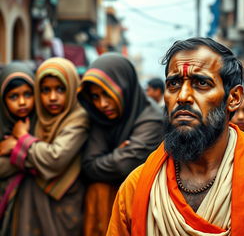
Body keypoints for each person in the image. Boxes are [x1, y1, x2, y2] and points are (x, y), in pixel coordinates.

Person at [107, 37, 244, 236]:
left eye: (201, 83)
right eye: (174, 83)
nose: (183, 96)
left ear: (234, 98)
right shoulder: (137, 187)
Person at [0, 57, 90, 235]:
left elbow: (54, 160)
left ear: (72, 88)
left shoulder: (78, 119)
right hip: (28, 204)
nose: (53, 97)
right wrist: (32, 156)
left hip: (64, 206)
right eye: (45, 90)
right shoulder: (35, 118)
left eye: (60, 89)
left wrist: (20, 143)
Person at [77, 52, 164, 236]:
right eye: (95, 97)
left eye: (107, 94)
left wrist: (111, 160)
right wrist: (117, 155)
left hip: (140, 211)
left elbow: (123, 166)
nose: (102, 104)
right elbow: (89, 165)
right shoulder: (102, 118)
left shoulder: (152, 119)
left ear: (124, 86)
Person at [0, 62, 36, 235]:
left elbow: (50, 161)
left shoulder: (42, 124)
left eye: (28, 94)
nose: (22, 102)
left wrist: (18, 144)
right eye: (13, 97)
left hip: (32, 210)